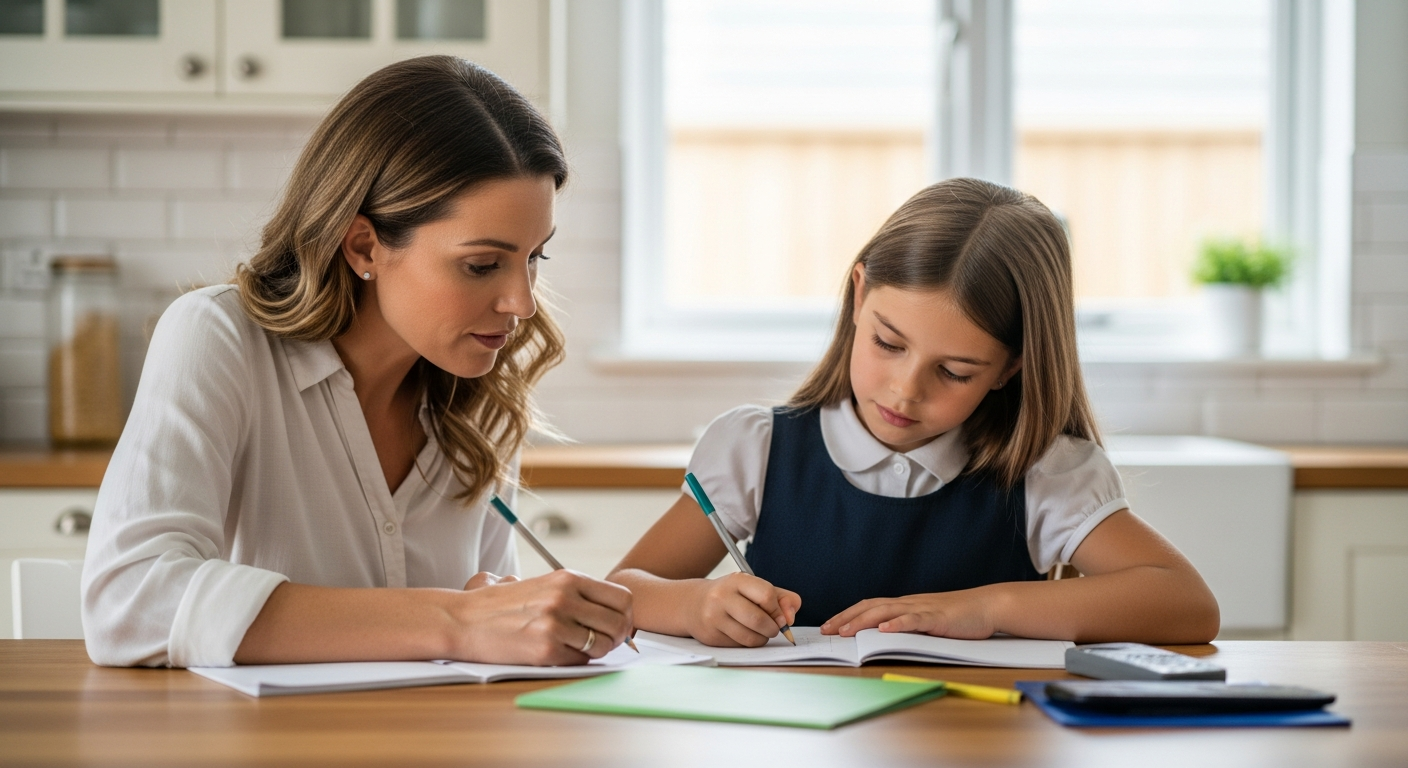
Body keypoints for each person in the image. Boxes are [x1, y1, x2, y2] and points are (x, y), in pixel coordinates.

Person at [81, 56, 633, 668]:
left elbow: (490, 629)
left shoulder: (484, 391)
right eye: (482, 265)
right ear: (365, 245)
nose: (521, 303)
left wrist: (519, 618)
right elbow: (129, 602)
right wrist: (455, 621)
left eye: (535, 258)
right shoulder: (219, 338)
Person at [609, 178, 1220, 647]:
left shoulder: (1043, 474)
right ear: (858, 294)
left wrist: (984, 608)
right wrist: (694, 606)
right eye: (888, 344)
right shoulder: (757, 449)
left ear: (1011, 368)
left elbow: (1187, 603)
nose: (904, 392)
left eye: (955, 372)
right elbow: (622, 591)